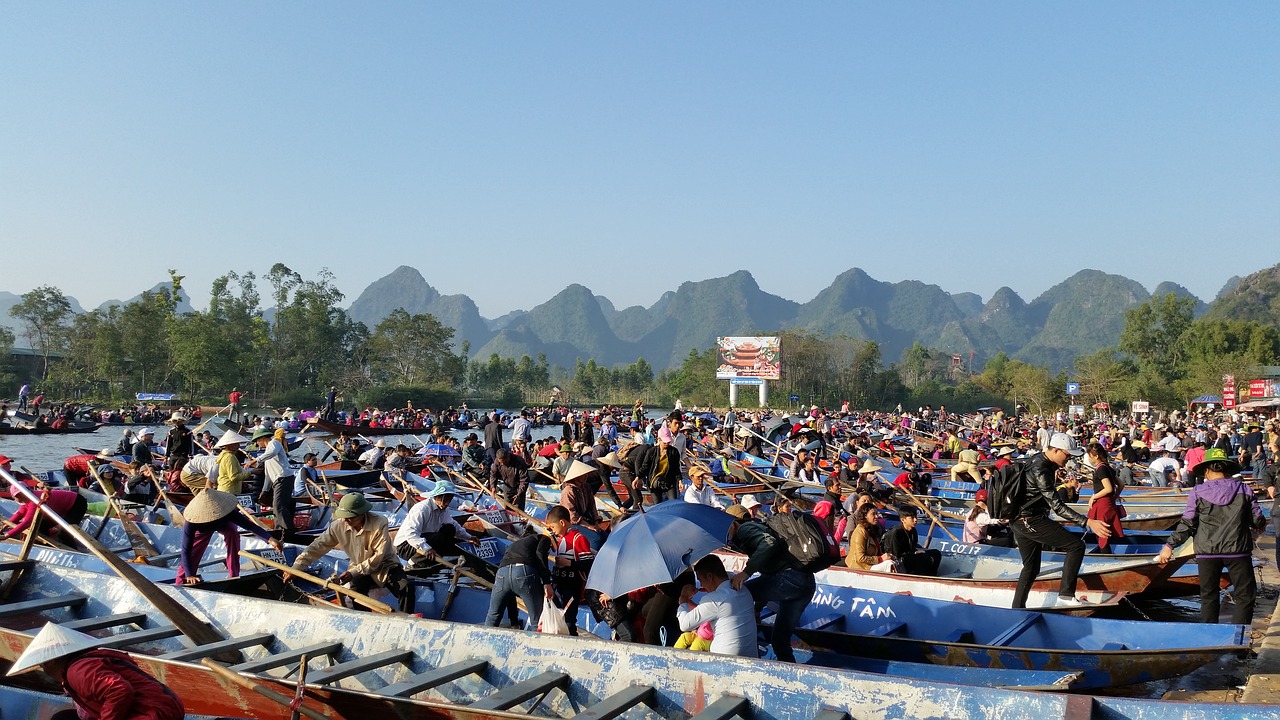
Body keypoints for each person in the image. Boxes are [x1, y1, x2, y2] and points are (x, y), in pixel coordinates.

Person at [1159, 447, 1266, 624]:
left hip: (1207, 552)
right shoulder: (1245, 490)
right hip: (1238, 551)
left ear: (1207, 470)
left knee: (1208, 596)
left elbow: (1187, 523)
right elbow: (1257, 519)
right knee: (1245, 596)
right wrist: (1258, 526)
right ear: (1227, 469)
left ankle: (1209, 635)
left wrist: (1169, 546)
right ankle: (1238, 640)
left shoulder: (1197, 492)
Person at [1011, 433, 1113, 609]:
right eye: (1067, 455)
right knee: (1076, 546)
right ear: (1056, 450)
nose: (1069, 459)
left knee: (1031, 568)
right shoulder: (1041, 469)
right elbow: (1057, 506)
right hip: (1030, 520)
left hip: (1020, 520)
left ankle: (1017, 608)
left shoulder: (1039, 460)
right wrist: (1087, 522)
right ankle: (1065, 594)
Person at [6, 622, 185, 720]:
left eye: (43, 665)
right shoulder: (88, 662)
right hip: (166, 707)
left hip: (154, 714)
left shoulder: (77, 670)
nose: (45, 670)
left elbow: (119, 690)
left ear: (53, 660)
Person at [289, 492, 414, 613]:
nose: (345, 521)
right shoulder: (338, 526)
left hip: (384, 566)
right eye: (343, 517)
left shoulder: (379, 523)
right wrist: (297, 566)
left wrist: (352, 573)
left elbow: (378, 557)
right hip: (358, 567)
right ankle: (366, 621)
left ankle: (407, 619)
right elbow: (317, 546)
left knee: (406, 588)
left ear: (362, 514)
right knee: (355, 594)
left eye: (350, 518)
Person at [724, 500, 814, 663]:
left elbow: (769, 543)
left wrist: (745, 573)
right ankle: (790, 675)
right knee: (780, 641)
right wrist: (757, 609)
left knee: (736, 593)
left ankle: (734, 638)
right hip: (805, 584)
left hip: (790, 579)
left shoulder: (745, 529)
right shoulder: (756, 530)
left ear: (734, 522)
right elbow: (768, 578)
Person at [177, 490, 283, 585]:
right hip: (203, 530)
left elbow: (249, 525)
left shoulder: (225, 511)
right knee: (193, 555)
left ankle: (233, 574)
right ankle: (181, 581)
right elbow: (186, 550)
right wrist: (189, 574)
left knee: (233, 533)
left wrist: (269, 539)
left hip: (224, 524)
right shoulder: (191, 522)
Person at [676, 554, 757, 657]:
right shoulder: (743, 590)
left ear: (710, 577)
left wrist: (683, 599)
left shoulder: (714, 599)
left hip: (724, 660)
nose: (701, 585)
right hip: (752, 656)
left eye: (701, 580)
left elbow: (684, 625)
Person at [484, 524, 554, 629]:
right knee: (537, 620)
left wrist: (514, 623)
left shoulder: (515, 544)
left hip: (502, 573)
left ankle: (483, 641)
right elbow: (541, 554)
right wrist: (546, 582)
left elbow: (510, 593)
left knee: (493, 616)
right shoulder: (544, 538)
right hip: (523, 572)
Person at [393, 480, 476, 567]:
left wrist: (469, 537)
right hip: (405, 546)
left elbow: (453, 524)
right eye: (445, 500)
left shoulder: (444, 509)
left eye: (449, 500)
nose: (447, 503)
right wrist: (427, 548)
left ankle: (437, 555)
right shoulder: (422, 509)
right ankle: (413, 562)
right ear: (437, 497)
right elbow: (410, 534)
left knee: (450, 528)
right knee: (438, 537)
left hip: (425, 539)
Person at [547, 504, 594, 636]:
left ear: (562, 522)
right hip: (558, 585)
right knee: (558, 619)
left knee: (569, 621)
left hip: (571, 586)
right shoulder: (560, 539)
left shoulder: (578, 538)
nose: (553, 531)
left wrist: (569, 563)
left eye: (553, 527)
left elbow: (588, 563)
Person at [4, 486, 88, 541]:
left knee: (65, 532)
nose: (21, 497)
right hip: (59, 509)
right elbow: (20, 513)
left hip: (77, 503)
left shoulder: (34, 499)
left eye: (22, 494)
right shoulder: (26, 500)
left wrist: (7, 535)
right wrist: (5, 526)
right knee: (41, 526)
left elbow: (27, 522)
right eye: (18, 496)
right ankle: (50, 543)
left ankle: (72, 551)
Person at [558, 460, 607, 551]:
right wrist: (588, 526)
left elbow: (592, 506)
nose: (586, 477)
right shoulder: (568, 491)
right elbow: (572, 516)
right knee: (596, 539)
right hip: (572, 523)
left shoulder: (586, 487)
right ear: (577, 476)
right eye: (583, 475)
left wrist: (596, 522)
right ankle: (590, 560)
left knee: (605, 536)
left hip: (585, 520)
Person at [250, 427, 292, 533]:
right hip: (278, 480)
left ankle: (285, 531)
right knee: (277, 506)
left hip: (284, 478)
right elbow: (268, 475)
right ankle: (279, 529)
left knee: (279, 506)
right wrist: (265, 490)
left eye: (257, 441)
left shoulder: (274, 443)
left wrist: (255, 460)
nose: (257, 444)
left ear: (262, 438)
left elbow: (272, 453)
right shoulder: (267, 453)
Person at [1084, 442, 1124, 552]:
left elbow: (1108, 488)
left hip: (1103, 505)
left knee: (1101, 534)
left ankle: (1106, 558)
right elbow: (1120, 484)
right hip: (1108, 503)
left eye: (1090, 455)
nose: (1088, 457)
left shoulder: (1101, 469)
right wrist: (1115, 496)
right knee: (1103, 534)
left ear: (1096, 456)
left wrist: (1093, 497)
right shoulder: (1107, 466)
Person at [882, 506, 941, 575]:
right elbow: (895, 554)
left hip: (910, 555)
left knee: (936, 553)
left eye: (916, 517)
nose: (915, 520)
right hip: (899, 560)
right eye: (912, 518)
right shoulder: (896, 532)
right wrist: (913, 554)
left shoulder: (913, 531)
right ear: (903, 520)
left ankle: (932, 575)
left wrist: (917, 552)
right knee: (924, 558)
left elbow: (913, 547)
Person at [845, 503, 892, 571]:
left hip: (869, 564)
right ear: (865, 516)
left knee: (893, 561)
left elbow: (877, 553)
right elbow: (860, 558)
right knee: (888, 564)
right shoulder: (860, 532)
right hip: (859, 566)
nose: (876, 516)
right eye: (873, 514)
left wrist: (888, 556)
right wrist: (880, 558)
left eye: (876, 513)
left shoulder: (871, 530)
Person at [213, 430, 253, 494]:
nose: (238, 446)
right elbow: (234, 477)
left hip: (228, 489)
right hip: (229, 490)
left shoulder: (226, 455)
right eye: (236, 444)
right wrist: (251, 472)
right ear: (229, 446)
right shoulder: (229, 457)